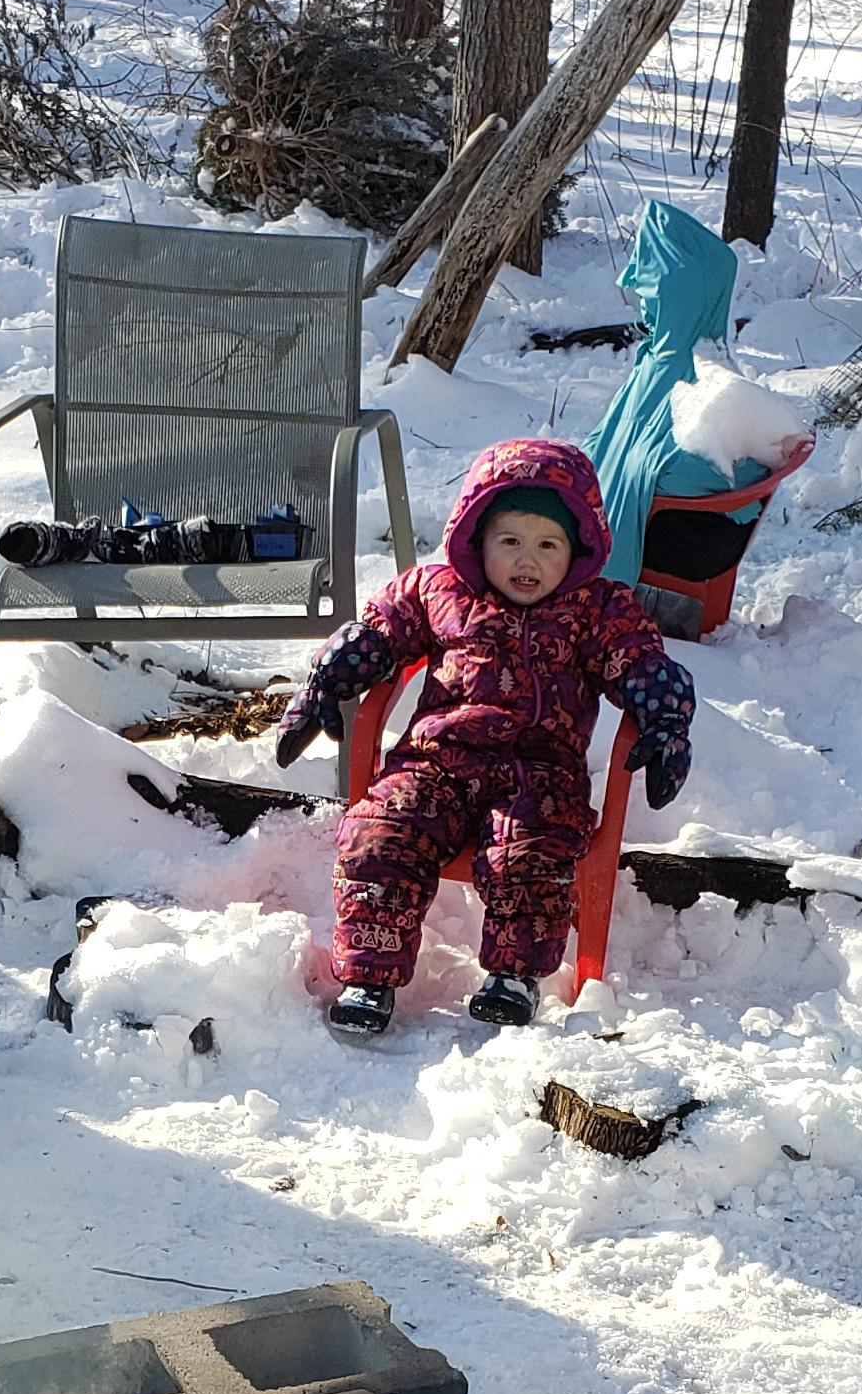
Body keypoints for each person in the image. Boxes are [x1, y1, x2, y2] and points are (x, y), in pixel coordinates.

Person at [271, 438, 696, 1039]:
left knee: (534, 846)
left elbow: (641, 662)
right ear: (478, 539)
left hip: (539, 771)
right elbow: (377, 632)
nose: (529, 561)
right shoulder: (438, 590)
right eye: (510, 542)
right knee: (381, 833)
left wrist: (666, 718)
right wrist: (326, 682)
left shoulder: (597, 609)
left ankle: (514, 977)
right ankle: (370, 974)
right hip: (436, 764)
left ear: (576, 550)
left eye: (548, 545)